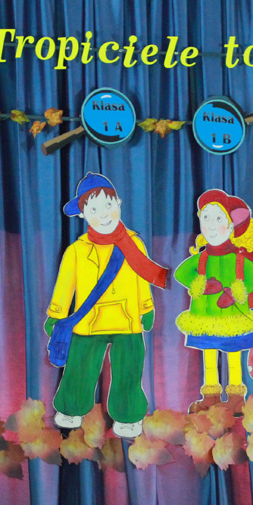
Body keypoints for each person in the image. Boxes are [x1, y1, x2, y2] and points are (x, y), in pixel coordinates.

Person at [44, 172, 169, 438]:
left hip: (127, 320)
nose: (103, 214)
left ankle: (128, 414)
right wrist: (56, 313)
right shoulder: (76, 251)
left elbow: (141, 279)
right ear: (83, 214)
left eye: (109, 205)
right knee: (79, 368)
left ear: (118, 204)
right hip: (88, 322)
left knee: (129, 371)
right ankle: (71, 408)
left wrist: (146, 307)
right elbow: (65, 285)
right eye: (94, 209)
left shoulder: (134, 244)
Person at [172, 189, 253, 412]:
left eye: (218, 219)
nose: (211, 225)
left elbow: (252, 287)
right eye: (206, 218)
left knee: (233, 358)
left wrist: (237, 294)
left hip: (233, 319)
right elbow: (181, 273)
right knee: (209, 358)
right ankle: (211, 396)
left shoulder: (242, 259)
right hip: (205, 318)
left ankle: (236, 397)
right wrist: (201, 285)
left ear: (230, 225)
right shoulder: (200, 258)